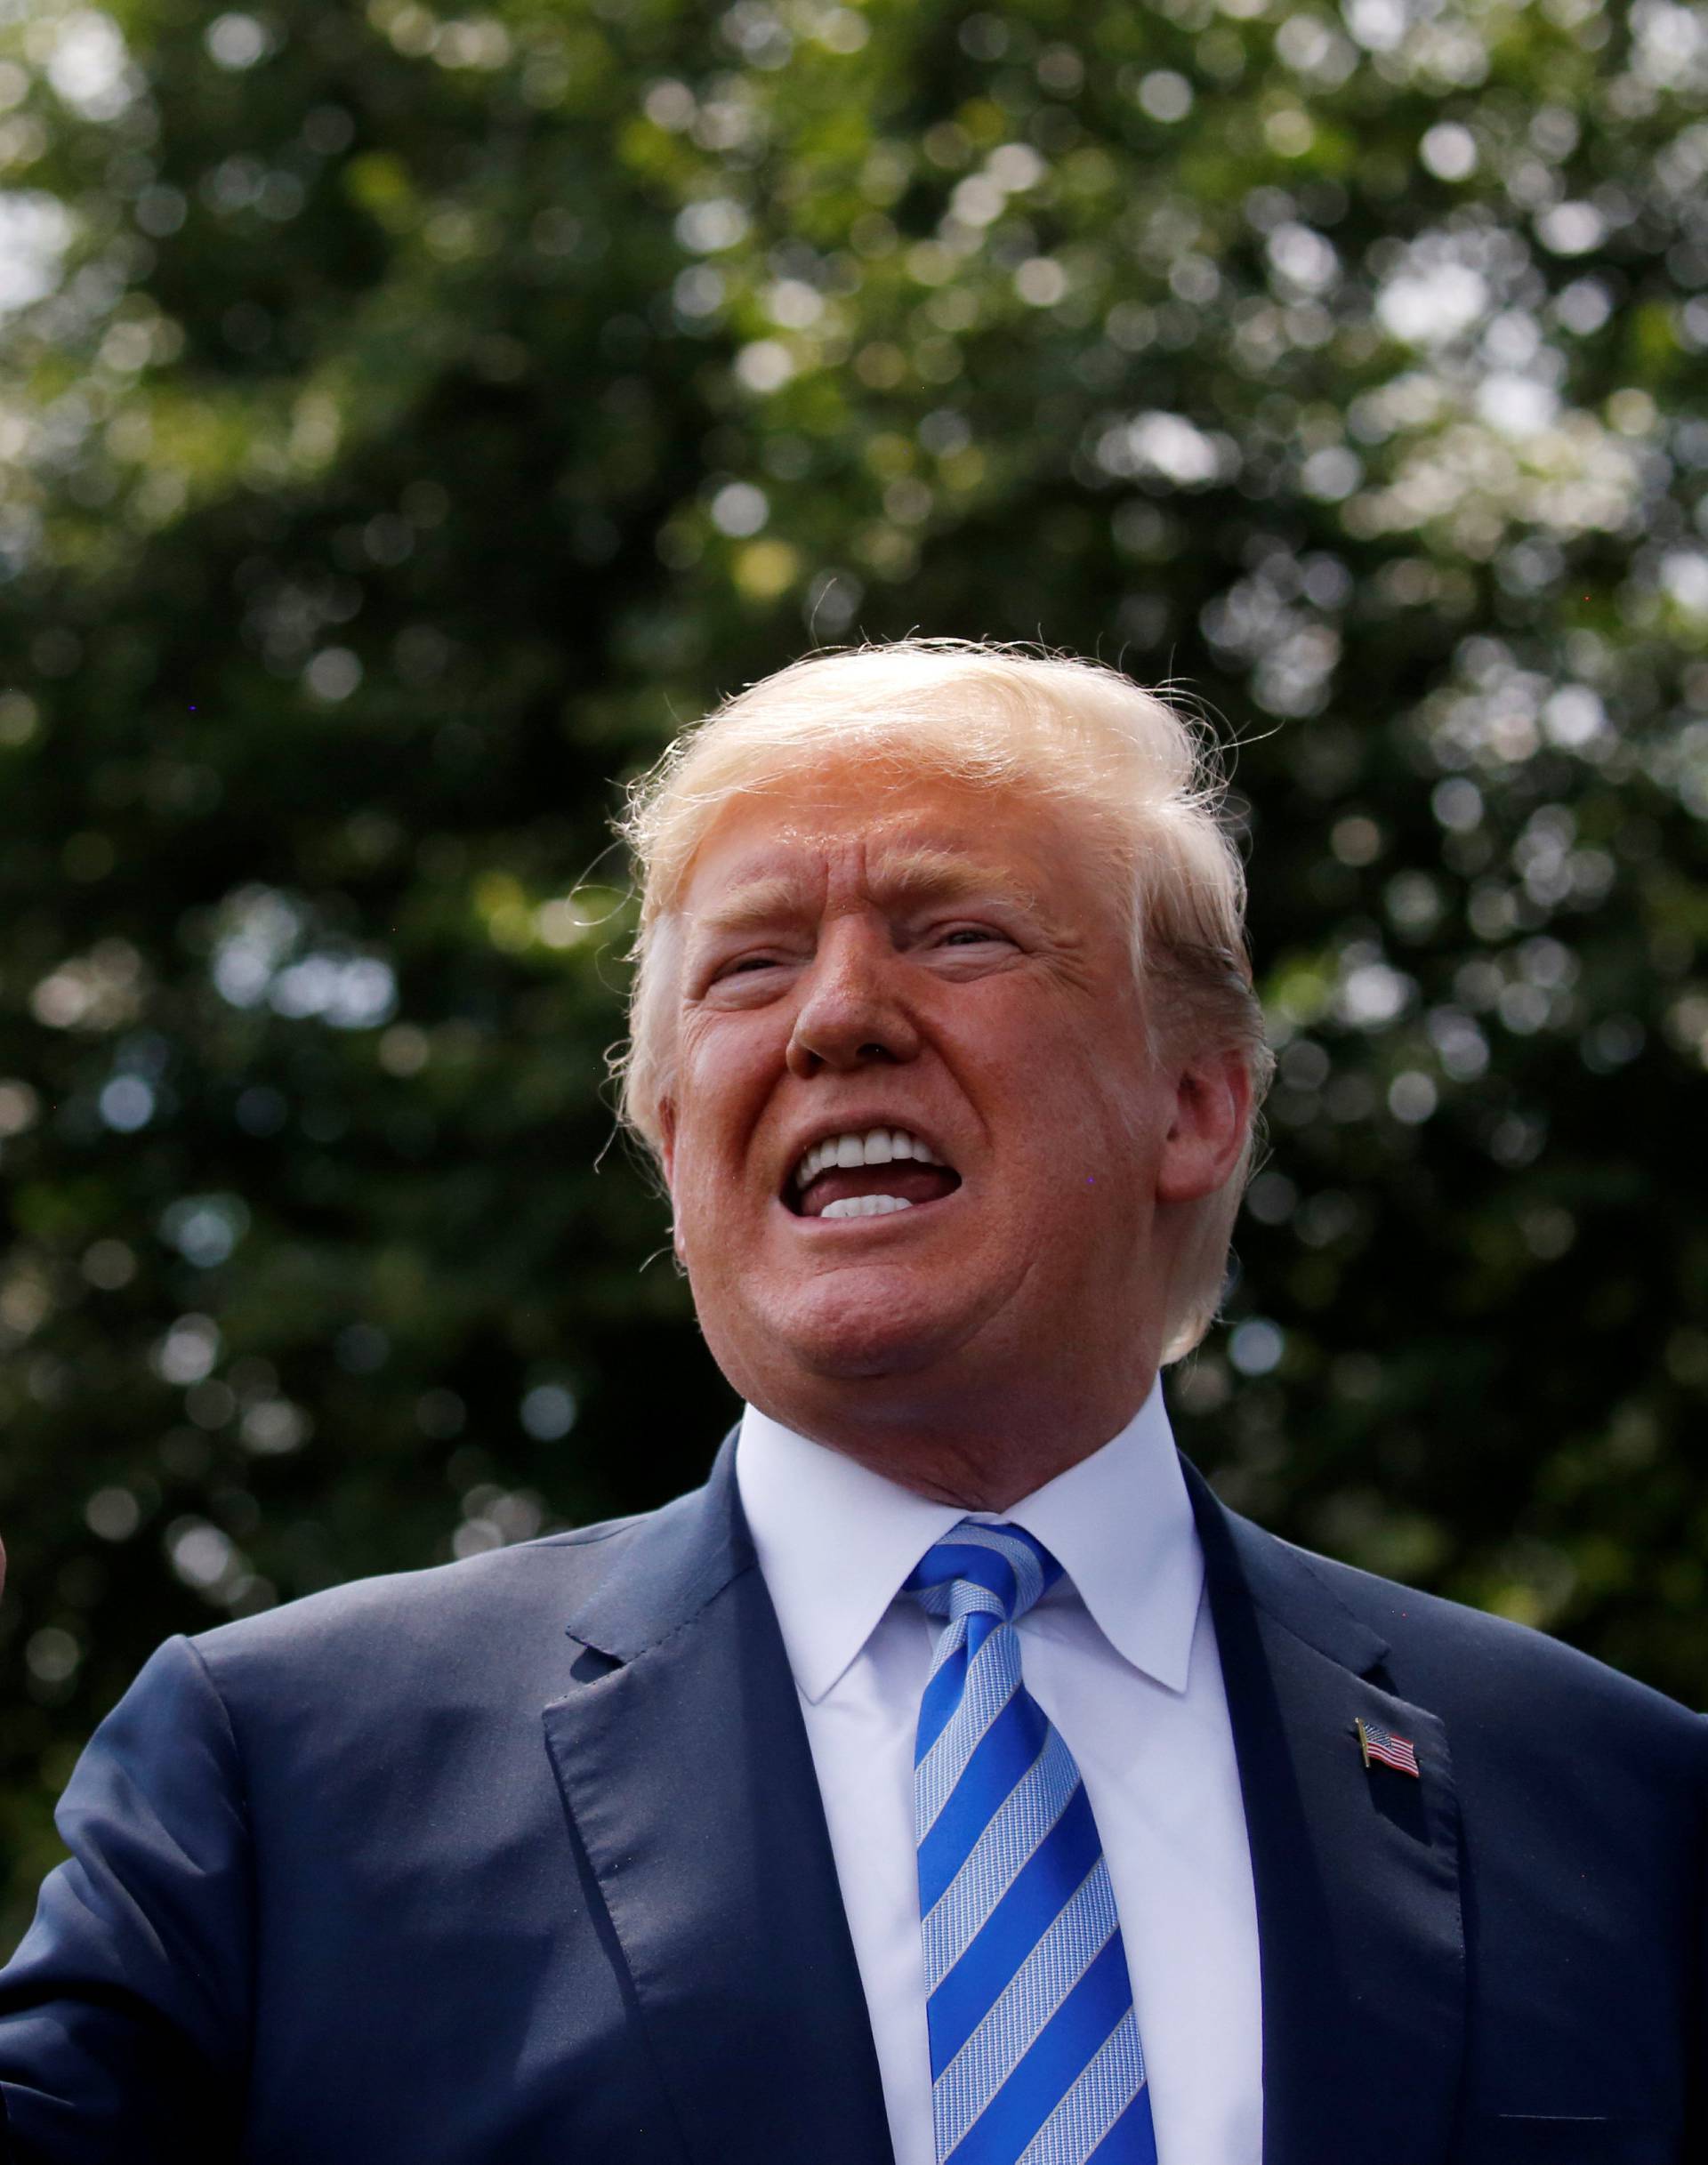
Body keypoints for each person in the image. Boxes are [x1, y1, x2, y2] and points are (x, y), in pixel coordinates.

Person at [0, 639, 1702, 2164]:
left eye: (958, 933)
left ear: (1195, 1105)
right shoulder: (282, 1777)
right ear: (675, 1141)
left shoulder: (1623, 1807)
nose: (836, 1017)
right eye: (746, 968)